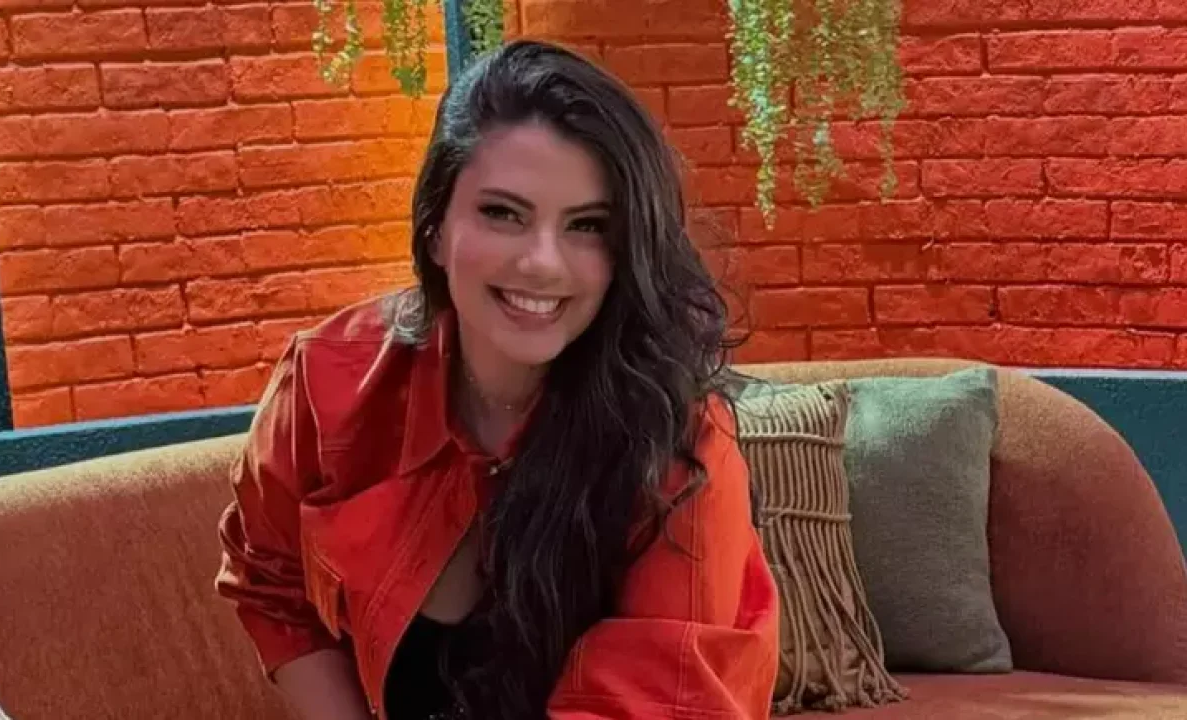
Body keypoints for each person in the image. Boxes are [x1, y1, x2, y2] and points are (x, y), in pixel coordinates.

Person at [215, 39, 780, 720]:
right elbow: (270, 581)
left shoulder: (679, 439)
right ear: (435, 228)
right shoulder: (327, 384)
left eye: (587, 226)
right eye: (503, 213)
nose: (542, 262)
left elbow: (659, 701)